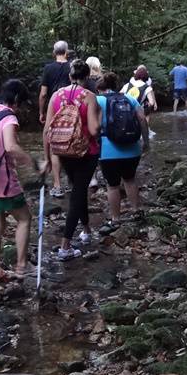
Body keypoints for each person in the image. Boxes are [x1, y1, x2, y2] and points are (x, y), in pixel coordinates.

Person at [0, 80, 38, 284]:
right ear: (16, 99)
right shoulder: (9, 117)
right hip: (3, 181)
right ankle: (21, 267)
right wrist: (34, 163)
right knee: (24, 219)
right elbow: (10, 147)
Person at [43, 60, 101, 261]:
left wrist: (48, 158)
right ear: (86, 78)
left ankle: (86, 230)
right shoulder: (89, 97)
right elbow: (93, 130)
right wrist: (99, 122)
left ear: (69, 76)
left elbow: (47, 130)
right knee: (77, 194)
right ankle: (65, 245)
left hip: (63, 152)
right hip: (87, 153)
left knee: (78, 190)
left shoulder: (56, 96)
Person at [97, 72, 149, 227]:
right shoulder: (129, 98)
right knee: (130, 179)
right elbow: (142, 119)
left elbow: (93, 125)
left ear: (100, 88)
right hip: (132, 148)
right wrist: (146, 142)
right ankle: (136, 211)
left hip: (108, 150)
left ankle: (115, 219)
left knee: (112, 185)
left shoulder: (98, 100)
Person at [38, 41, 72, 197]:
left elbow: (44, 93)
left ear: (54, 52)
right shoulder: (72, 67)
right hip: (72, 108)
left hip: (54, 107)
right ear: (66, 52)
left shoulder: (48, 68)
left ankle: (57, 185)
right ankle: (73, 182)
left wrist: (42, 112)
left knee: (54, 147)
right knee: (73, 141)